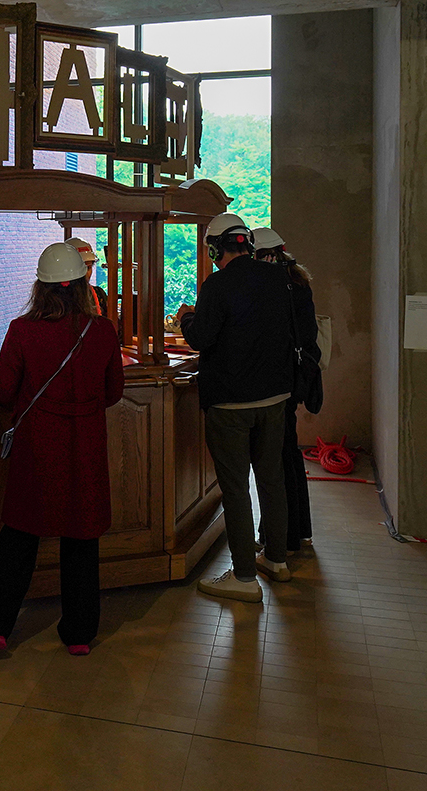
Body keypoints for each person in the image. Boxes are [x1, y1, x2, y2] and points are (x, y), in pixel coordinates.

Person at [0, 243, 124, 656]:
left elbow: (2, 390)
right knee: (82, 536)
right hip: (85, 447)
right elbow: (113, 393)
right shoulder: (103, 331)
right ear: (84, 284)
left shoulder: (23, 330)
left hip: (38, 448)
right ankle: (79, 633)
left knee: (20, 535)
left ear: (41, 286)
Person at [178, 213, 295, 603]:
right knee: (271, 479)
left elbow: (201, 339)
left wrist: (186, 318)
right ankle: (276, 559)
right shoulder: (278, 279)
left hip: (230, 403)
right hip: (276, 397)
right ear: (247, 242)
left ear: (215, 248)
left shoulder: (217, 285)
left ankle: (244, 577)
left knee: (236, 489)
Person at [251, 227, 321, 554]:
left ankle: (281, 538)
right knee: (289, 455)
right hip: (296, 379)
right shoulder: (298, 282)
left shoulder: (274, 287)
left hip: (278, 382)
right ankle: (298, 531)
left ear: (262, 255)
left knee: (276, 462)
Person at [66, 236, 109, 316]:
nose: (85, 273)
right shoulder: (57, 297)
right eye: (81, 268)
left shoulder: (98, 294)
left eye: (88, 267)